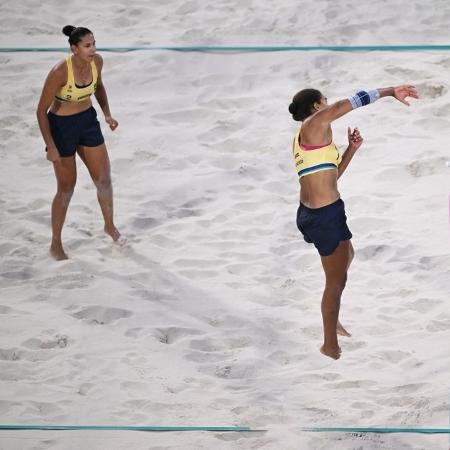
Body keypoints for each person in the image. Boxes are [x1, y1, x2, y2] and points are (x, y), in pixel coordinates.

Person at [288, 85, 418, 359]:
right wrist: (389, 91)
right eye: (323, 101)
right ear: (315, 106)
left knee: (348, 254)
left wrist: (352, 150)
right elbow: (349, 103)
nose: (327, 104)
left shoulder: (307, 138)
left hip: (315, 212)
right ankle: (329, 345)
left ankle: (331, 314)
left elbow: (331, 177)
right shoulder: (315, 122)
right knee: (335, 281)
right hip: (324, 216)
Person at [37, 25, 121, 260]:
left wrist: (106, 113)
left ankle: (109, 226)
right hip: (62, 128)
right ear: (74, 49)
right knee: (66, 189)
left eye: (94, 43)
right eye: (87, 45)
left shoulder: (97, 62)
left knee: (104, 179)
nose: (93, 49)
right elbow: (40, 111)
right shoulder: (60, 72)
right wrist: (51, 145)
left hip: (87, 121)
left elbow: (99, 87)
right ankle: (56, 243)